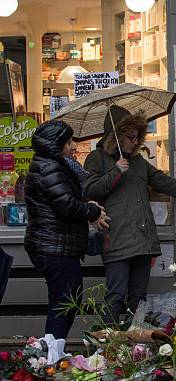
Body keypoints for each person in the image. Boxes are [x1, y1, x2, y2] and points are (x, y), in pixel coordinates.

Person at [84, 106, 176, 324]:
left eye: (138, 137)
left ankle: (136, 345)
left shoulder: (138, 162)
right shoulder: (96, 159)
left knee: (138, 298)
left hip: (143, 240)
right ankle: (105, 344)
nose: (135, 142)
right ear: (115, 135)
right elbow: (90, 192)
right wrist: (116, 171)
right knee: (115, 296)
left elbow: (168, 184)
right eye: (130, 137)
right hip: (116, 238)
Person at [24, 120, 108, 339]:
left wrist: (89, 207)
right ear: (56, 143)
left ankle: (53, 351)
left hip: (54, 245)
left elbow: (66, 200)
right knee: (64, 303)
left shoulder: (52, 165)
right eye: (68, 142)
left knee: (65, 301)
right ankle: (52, 355)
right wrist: (91, 210)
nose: (73, 146)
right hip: (54, 248)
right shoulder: (50, 167)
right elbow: (67, 204)